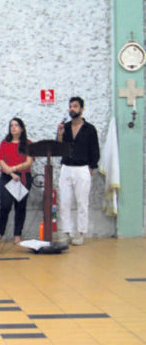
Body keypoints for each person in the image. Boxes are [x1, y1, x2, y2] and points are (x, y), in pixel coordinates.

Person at [56, 96, 100, 245]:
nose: (71, 109)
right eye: (70, 106)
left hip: (83, 168)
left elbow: (95, 150)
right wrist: (60, 133)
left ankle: (80, 233)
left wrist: (92, 167)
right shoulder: (65, 127)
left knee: (82, 202)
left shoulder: (90, 129)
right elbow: (58, 147)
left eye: (75, 106)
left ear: (81, 109)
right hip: (66, 167)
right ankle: (66, 232)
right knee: (65, 201)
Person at [0, 117, 33, 244]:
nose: (13, 127)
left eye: (16, 125)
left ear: (21, 128)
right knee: (5, 205)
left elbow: (29, 162)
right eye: (11, 125)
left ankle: (17, 235)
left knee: (20, 207)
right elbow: (1, 160)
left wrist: (15, 169)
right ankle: (0, 232)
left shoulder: (28, 143)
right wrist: (10, 173)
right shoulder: (5, 143)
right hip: (7, 176)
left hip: (23, 177)